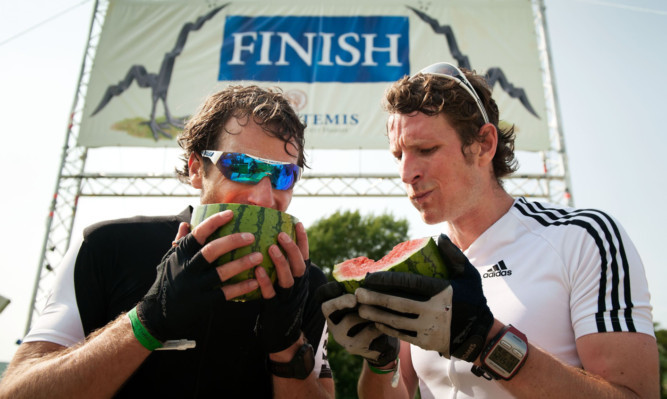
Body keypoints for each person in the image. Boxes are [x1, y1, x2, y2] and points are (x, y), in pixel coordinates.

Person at [318, 62, 659, 398]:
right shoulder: (420, 265)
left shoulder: (583, 238)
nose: (406, 173)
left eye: (425, 149)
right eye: (398, 155)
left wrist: (487, 341)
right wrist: (382, 363)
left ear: (483, 143)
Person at [0, 85, 335, 398]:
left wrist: (288, 345)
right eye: (242, 166)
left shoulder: (305, 283)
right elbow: (17, 391)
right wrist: (148, 319)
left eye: (283, 175)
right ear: (195, 168)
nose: (263, 196)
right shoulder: (108, 247)